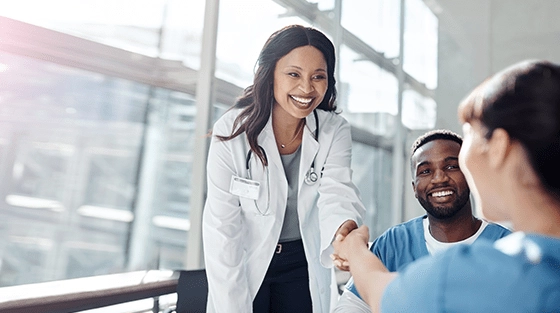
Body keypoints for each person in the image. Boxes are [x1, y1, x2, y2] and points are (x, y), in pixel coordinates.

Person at [332, 59, 560, 312]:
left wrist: (354, 247)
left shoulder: (480, 274)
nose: (440, 177)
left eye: (469, 133)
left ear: (498, 147)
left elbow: (380, 292)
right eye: (426, 170)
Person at [202, 24, 366, 313]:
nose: (306, 88)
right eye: (294, 74)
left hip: (300, 264)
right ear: (270, 74)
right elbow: (221, 228)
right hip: (245, 260)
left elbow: (337, 192)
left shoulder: (333, 130)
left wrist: (344, 233)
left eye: (318, 77)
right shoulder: (232, 131)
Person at [333, 129, 511, 312]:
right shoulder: (393, 243)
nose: (439, 178)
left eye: (451, 166)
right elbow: (351, 306)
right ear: (414, 188)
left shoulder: (506, 246)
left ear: (469, 175)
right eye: (425, 171)